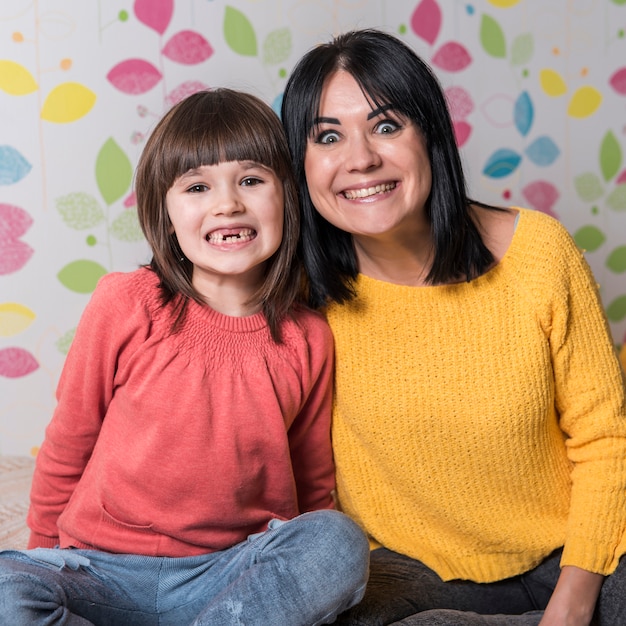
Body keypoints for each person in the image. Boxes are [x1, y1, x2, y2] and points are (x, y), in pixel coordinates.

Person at [281, 29, 626, 626]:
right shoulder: (299, 293)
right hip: (413, 571)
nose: (361, 158)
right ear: (300, 165)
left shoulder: (539, 253)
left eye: (387, 126)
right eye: (328, 137)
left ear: (431, 136)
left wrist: (571, 608)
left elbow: (606, 439)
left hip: (577, 555)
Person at [0, 89, 369, 625]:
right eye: (198, 186)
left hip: (228, 576)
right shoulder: (127, 302)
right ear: (166, 213)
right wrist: (44, 554)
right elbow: (69, 439)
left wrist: (303, 567)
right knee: (7, 585)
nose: (228, 204)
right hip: (102, 570)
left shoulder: (307, 337)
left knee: (337, 544)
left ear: (288, 196)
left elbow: (312, 481)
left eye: (251, 180)